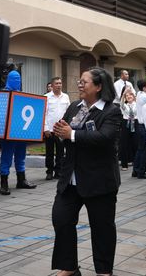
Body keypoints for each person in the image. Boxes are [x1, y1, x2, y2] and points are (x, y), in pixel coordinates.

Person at [51, 67, 121, 276]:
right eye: (79, 82)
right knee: (61, 220)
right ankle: (70, 267)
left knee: (102, 228)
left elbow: (105, 138)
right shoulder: (75, 107)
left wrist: (71, 134)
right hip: (71, 179)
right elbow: (65, 132)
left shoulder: (111, 111)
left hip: (99, 180)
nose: (79, 85)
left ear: (99, 87)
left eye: (85, 82)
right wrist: (60, 131)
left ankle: (104, 271)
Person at [0, 66, 37, 195]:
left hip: (21, 132)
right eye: (14, 79)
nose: (17, 81)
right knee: (6, 157)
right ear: (9, 79)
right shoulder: (2, 94)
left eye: (19, 79)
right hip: (8, 134)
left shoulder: (21, 95)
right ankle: (4, 183)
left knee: (21, 157)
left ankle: (21, 180)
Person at [44, 77, 70, 180]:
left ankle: (58, 171)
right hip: (50, 129)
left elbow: (68, 113)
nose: (59, 85)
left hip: (61, 129)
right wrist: (45, 128)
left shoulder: (66, 97)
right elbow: (44, 114)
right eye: (57, 83)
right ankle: (49, 171)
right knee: (49, 152)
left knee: (60, 152)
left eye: (60, 83)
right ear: (52, 85)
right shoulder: (46, 97)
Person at [133, 79, 146, 178]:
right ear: (144, 88)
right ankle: (141, 171)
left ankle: (136, 170)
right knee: (144, 151)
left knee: (140, 149)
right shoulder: (145, 97)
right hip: (143, 126)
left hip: (139, 125)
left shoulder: (139, 94)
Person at [119, 89, 137, 171]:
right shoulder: (124, 106)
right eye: (127, 96)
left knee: (135, 143)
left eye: (130, 95)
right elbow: (121, 103)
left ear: (133, 97)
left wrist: (133, 93)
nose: (129, 96)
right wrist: (123, 94)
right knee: (124, 144)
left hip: (135, 122)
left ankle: (135, 162)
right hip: (126, 123)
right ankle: (124, 164)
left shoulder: (136, 104)